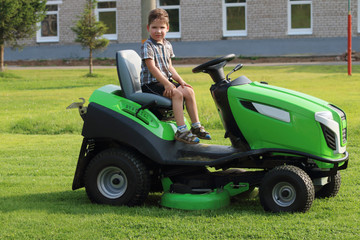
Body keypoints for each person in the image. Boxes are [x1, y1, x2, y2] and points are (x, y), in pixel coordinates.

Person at [140, 8, 211, 144]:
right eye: (154, 27)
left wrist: (181, 81)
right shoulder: (147, 46)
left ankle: (196, 126)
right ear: (148, 28)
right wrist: (167, 84)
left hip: (164, 82)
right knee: (177, 94)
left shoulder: (167, 45)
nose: (158, 31)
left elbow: (170, 67)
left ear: (167, 28)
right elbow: (152, 67)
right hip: (151, 84)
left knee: (189, 91)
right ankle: (182, 131)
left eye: (161, 27)